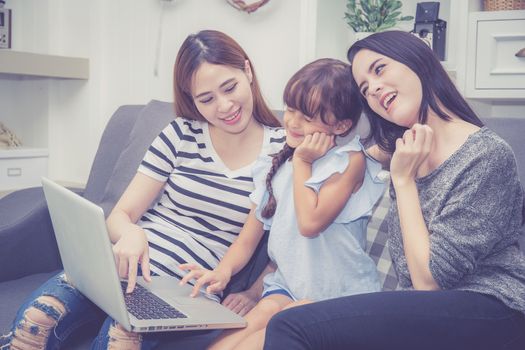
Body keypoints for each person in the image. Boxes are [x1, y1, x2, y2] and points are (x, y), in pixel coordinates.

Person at [0, 30, 285, 350]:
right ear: (192, 100)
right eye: (206, 98)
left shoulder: (281, 151)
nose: (225, 106)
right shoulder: (180, 133)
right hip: (113, 272)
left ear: (247, 71)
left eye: (229, 87)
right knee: (34, 324)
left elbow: (287, 245)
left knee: (119, 340)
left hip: (183, 292)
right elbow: (120, 216)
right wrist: (131, 234)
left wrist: (252, 292)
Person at [263, 30, 525, 350]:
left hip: (492, 307)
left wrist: (403, 180)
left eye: (379, 69)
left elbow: (429, 282)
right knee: (291, 321)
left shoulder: (485, 156)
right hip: (421, 307)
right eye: (364, 88)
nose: (372, 88)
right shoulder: (400, 149)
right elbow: (341, 158)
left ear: (418, 60)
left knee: (291, 326)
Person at [179, 58, 385, 350]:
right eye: (290, 109)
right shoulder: (275, 165)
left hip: (339, 294)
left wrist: (302, 161)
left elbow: (310, 223)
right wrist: (222, 273)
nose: (292, 122)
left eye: (307, 116)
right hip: (287, 285)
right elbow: (247, 240)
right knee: (247, 325)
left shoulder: (349, 162)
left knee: (283, 321)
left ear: (341, 125)